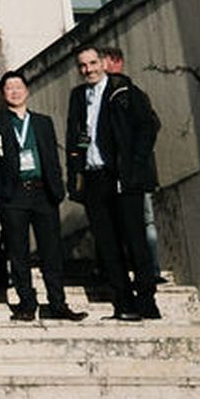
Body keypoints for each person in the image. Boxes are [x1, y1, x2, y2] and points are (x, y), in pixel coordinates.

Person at [66, 46, 162, 321]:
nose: (89, 69)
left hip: (122, 176)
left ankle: (147, 301)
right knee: (107, 244)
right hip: (93, 177)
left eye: (93, 63)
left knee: (135, 238)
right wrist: (75, 171)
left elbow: (148, 126)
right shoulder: (78, 96)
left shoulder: (123, 90)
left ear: (104, 63)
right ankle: (124, 302)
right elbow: (77, 136)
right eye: (83, 65)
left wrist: (134, 163)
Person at [0, 71, 84, 322]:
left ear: (27, 90)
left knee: (51, 251)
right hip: (14, 194)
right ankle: (26, 303)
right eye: (9, 88)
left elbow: (51, 157)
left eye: (18, 87)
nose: (15, 92)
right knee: (18, 252)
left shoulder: (42, 122)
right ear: (3, 93)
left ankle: (58, 303)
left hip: (43, 192)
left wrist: (58, 188)